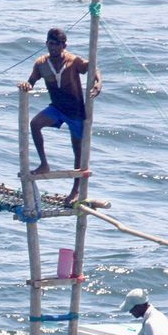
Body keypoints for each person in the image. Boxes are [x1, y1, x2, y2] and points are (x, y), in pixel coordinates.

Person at [17, 27, 101, 204]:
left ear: (64, 45)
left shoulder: (73, 61)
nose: (53, 48)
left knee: (78, 152)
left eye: (56, 45)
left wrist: (98, 83)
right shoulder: (41, 63)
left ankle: (75, 191)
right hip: (57, 109)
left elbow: (93, 68)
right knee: (35, 124)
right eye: (50, 44)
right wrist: (26, 85)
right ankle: (44, 164)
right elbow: (31, 81)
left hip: (76, 112)